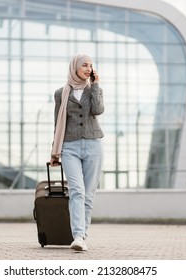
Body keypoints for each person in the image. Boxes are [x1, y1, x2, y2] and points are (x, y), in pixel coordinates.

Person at [50, 53, 104, 251]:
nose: (88, 68)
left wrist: (96, 85)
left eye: (90, 65)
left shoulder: (94, 91)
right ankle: (78, 235)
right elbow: (58, 124)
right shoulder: (60, 93)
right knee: (77, 191)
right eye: (84, 65)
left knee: (88, 194)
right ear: (75, 67)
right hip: (69, 147)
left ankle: (83, 236)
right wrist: (54, 152)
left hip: (93, 144)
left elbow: (98, 110)